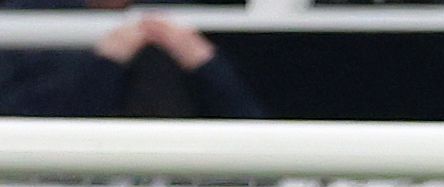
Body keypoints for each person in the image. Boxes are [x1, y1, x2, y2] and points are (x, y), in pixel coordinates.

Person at [0, 8, 261, 118]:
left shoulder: (192, 21)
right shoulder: (32, 19)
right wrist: (106, 65)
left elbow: (256, 137)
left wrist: (203, 63)